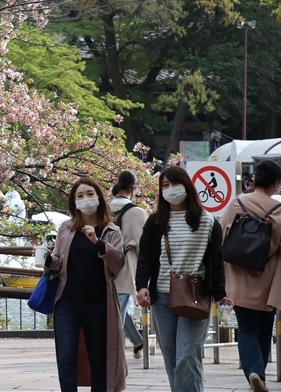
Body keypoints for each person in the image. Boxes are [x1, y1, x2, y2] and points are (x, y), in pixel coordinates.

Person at [135, 166, 231, 392]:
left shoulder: (207, 222)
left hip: (196, 295)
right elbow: (146, 258)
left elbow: (216, 261)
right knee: (171, 356)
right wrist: (141, 286)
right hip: (162, 297)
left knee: (187, 355)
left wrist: (220, 294)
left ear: (187, 185)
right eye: (165, 185)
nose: (170, 189)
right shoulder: (155, 222)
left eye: (174, 184)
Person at [221, 160, 281, 392]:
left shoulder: (236, 204)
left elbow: (221, 239)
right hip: (267, 280)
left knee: (246, 330)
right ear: (276, 183)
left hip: (238, 279)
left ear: (253, 181)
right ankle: (258, 373)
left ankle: (253, 371)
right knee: (263, 330)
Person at [44, 177, 126, 392]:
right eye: (79, 196)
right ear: (74, 202)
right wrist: (47, 260)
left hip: (99, 304)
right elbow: (58, 260)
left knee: (98, 358)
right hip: (67, 302)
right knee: (67, 354)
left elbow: (117, 265)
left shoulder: (111, 231)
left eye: (90, 194)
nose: (85, 199)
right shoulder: (66, 228)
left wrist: (99, 243)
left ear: (99, 197)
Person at [109, 169, 148, 358]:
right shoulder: (138, 213)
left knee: (117, 311)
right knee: (119, 313)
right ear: (133, 188)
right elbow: (144, 247)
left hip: (103, 268)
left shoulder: (104, 209)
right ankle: (114, 351)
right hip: (125, 270)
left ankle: (136, 340)